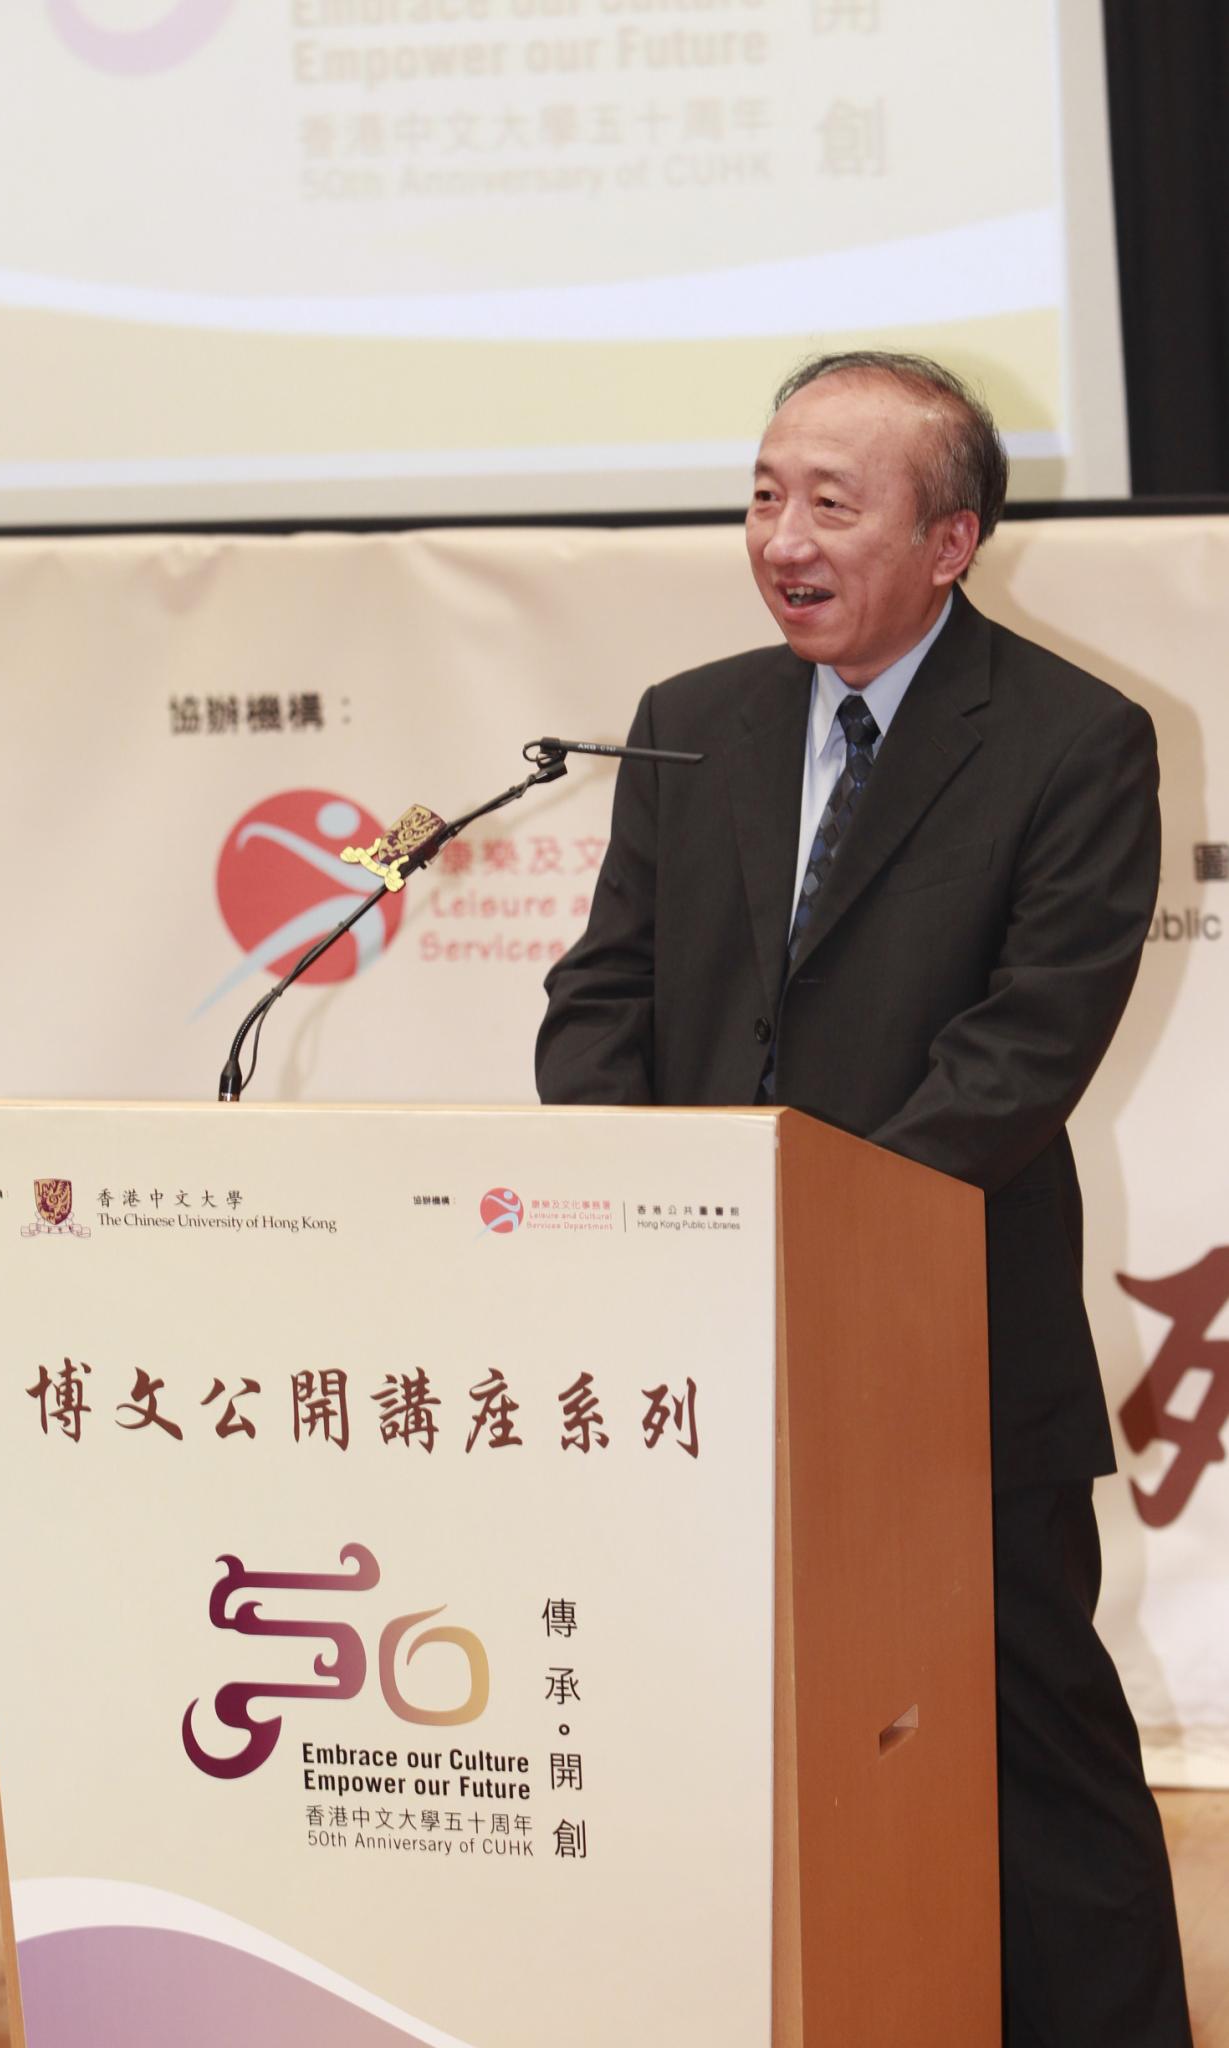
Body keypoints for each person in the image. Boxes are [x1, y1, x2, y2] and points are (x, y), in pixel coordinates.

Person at [535, 351, 1193, 2048]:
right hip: (694, 1344)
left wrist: (810, 1242)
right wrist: (633, 1205)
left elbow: (1021, 1046)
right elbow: (603, 992)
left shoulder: (1071, 740)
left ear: (948, 539)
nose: (781, 538)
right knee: (733, 1736)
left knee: (1029, 1749)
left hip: (937, 1345)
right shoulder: (693, 719)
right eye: (764, 495)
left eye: (831, 502)